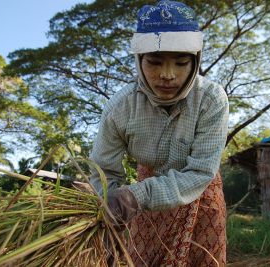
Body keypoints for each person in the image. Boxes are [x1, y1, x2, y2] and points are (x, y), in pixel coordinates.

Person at [90, 1, 229, 266]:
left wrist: (136, 196)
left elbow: (200, 171)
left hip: (200, 190)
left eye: (180, 63)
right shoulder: (120, 108)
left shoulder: (211, 100)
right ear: (139, 61)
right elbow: (103, 170)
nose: (167, 75)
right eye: (154, 62)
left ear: (195, 61)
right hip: (143, 200)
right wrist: (111, 206)